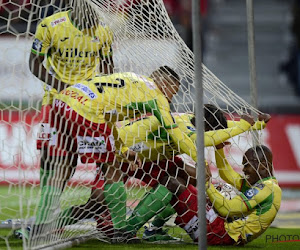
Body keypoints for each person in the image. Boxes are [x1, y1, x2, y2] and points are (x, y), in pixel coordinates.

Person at [27, 66, 201, 243]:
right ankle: (121, 232)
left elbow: (108, 120)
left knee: (62, 170)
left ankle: (41, 226)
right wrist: (200, 161)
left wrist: (123, 150)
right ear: (165, 84)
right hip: (87, 110)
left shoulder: (132, 79)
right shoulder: (157, 97)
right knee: (112, 170)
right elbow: (175, 133)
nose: (172, 97)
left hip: (62, 101)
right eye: (174, 90)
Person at [16, 0, 115, 239]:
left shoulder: (103, 31)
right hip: (57, 103)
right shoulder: (51, 25)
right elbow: (34, 62)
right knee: (56, 162)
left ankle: (107, 217)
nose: (93, 22)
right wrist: (64, 88)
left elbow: (109, 67)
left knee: (107, 162)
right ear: (75, 10)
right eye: (88, 20)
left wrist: (105, 94)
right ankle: (46, 217)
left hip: (91, 106)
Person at [161, 143, 281, 245]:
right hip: (221, 228)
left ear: (263, 165)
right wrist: (219, 148)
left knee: (172, 183)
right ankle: (154, 229)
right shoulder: (261, 184)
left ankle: (151, 230)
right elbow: (227, 174)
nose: (243, 170)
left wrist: (207, 184)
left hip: (221, 234)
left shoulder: (267, 188)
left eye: (246, 165)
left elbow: (227, 209)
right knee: (179, 182)